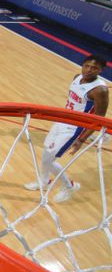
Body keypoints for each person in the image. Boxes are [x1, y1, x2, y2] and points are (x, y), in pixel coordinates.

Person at [25, 54, 109, 202]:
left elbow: (99, 119)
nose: (89, 70)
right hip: (62, 120)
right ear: (82, 65)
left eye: (94, 68)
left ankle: (69, 185)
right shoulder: (77, 77)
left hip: (74, 128)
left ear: (101, 70)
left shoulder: (100, 90)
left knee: (50, 159)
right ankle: (44, 182)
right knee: (46, 154)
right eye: (87, 66)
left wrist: (81, 140)